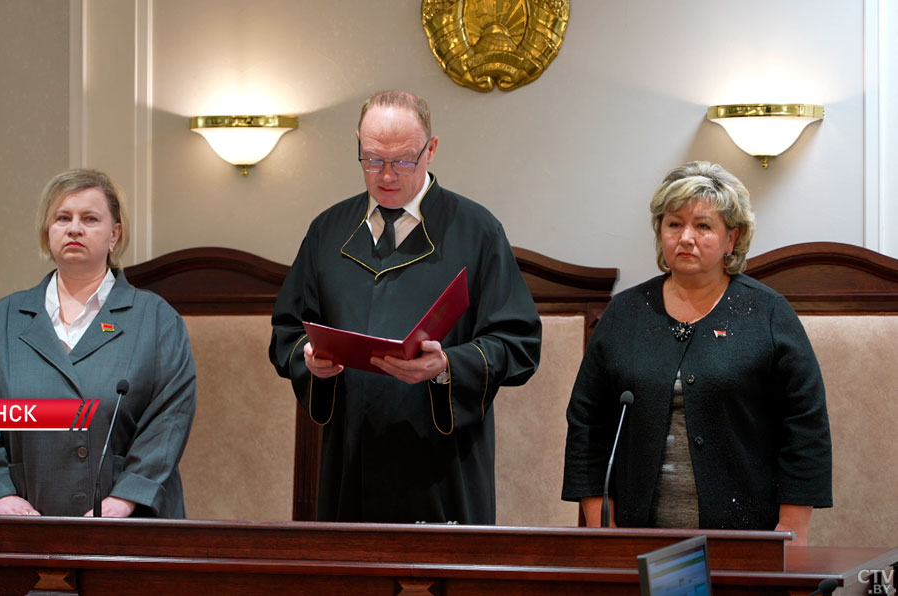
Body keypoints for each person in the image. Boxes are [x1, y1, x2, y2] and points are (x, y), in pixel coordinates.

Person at [269, 90, 542, 524]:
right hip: (350, 464)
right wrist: (309, 360)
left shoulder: (477, 231)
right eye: (372, 159)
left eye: (403, 161)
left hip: (443, 469)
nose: (387, 175)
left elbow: (519, 344)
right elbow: (287, 332)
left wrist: (447, 366)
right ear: (358, 144)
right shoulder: (328, 231)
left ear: (431, 150)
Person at [561, 161, 831, 544]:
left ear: (731, 238)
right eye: (674, 224)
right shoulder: (625, 314)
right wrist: (600, 523)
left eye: (703, 226)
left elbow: (805, 426)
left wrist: (793, 530)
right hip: (635, 535)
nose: (686, 237)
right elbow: (588, 423)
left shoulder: (767, 314)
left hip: (746, 535)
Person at [0, 169, 196, 518]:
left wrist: (128, 497)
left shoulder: (158, 320)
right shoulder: (0, 321)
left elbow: (171, 417)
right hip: (25, 522)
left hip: (131, 522)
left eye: (90, 219)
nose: (74, 228)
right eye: (62, 218)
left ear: (114, 234)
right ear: (47, 231)